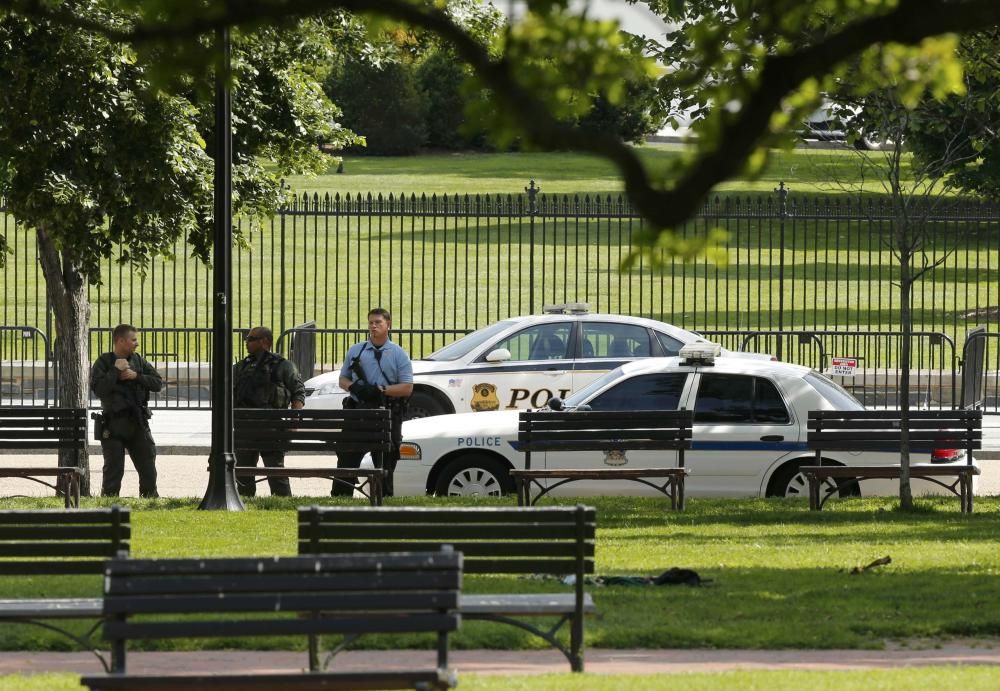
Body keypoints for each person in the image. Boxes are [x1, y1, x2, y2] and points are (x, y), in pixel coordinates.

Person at [334, 308, 413, 497]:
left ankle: (383, 498)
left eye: (378, 322)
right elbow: (342, 380)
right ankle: (341, 496)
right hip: (358, 413)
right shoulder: (356, 350)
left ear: (388, 324)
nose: (373, 326)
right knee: (347, 457)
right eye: (371, 322)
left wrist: (381, 390)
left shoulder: (398, 354)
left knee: (386, 461)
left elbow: (407, 387)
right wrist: (354, 387)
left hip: (386, 413)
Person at [233, 326, 306, 497]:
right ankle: (245, 501)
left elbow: (298, 392)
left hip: (272, 427)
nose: (246, 342)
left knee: (275, 472)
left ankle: (282, 501)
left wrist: (294, 422)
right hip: (245, 427)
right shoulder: (242, 366)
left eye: (251, 339)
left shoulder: (283, 366)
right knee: (243, 472)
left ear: (265, 342)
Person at [90, 324, 162, 497]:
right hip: (114, 424)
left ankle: (149, 499)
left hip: (137, 422)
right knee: (113, 471)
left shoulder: (138, 360)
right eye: (133, 340)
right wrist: (115, 371)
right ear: (120, 341)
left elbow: (158, 383)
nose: (136, 344)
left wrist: (136, 376)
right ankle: (109, 503)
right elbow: (99, 389)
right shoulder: (104, 362)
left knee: (148, 468)